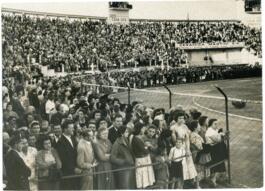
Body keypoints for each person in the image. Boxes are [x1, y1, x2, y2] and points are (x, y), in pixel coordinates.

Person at [170, 112, 197, 184]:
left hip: (185, 146)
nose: (181, 120)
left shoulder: (185, 126)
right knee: (181, 163)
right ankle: (181, 182)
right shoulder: (173, 128)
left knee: (189, 163)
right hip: (178, 147)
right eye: (179, 118)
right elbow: (174, 141)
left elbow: (187, 138)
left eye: (182, 118)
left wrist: (187, 149)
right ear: (176, 119)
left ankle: (190, 180)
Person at [56, 119, 81, 190]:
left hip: (76, 171)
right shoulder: (60, 142)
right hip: (67, 173)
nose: (73, 129)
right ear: (65, 129)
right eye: (71, 128)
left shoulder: (73, 138)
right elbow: (64, 159)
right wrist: (73, 168)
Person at [130, 122, 155, 188]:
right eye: (143, 129)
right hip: (141, 160)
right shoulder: (136, 139)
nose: (144, 130)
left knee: (146, 179)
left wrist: (146, 146)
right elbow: (145, 151)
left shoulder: (139, 138)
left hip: (144, 159)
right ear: (140, 129)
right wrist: (148, 146)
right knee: (142, 179)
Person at [205, 118, 227, 187]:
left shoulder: (214, 130)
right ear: (210, 124)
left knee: (219, 165)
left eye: (217, 124)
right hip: (213, 150)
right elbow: (218, 140)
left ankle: (218, 179)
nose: (217, 125)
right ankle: (212, 181)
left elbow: (222, 138)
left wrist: (222, 135)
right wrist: (221, 135)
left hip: (217, 150)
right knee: (214, 166)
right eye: (215, 124)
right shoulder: (209, 131)